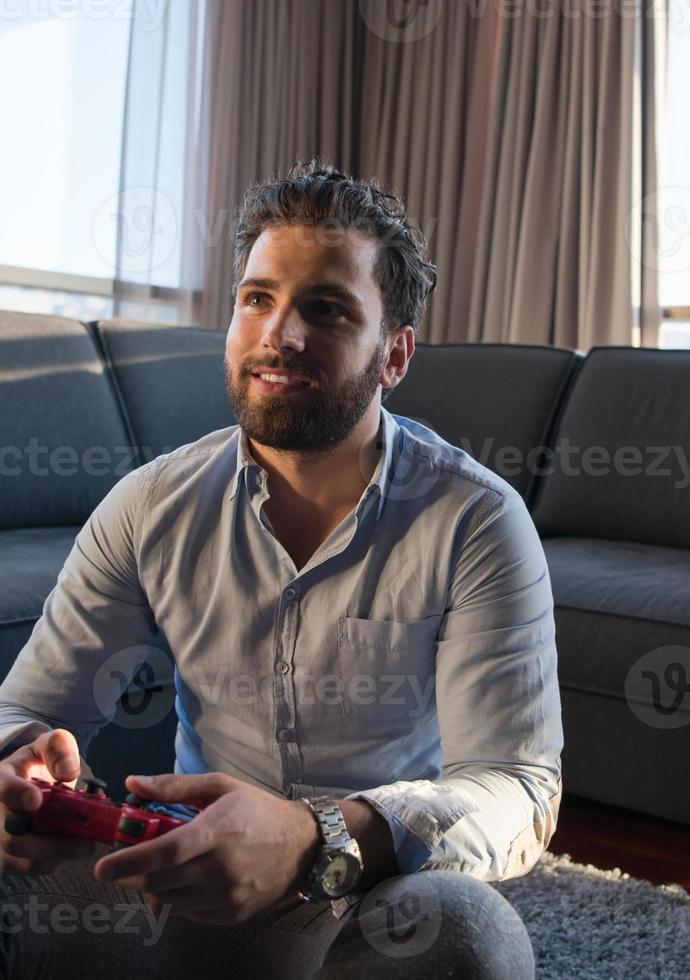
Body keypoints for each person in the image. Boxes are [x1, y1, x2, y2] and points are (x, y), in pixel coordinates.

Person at [0, 161, 561, 977]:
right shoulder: (149, 504)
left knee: (469, 937)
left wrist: (313, 835)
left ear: (394, 355)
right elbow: (29, 708)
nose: (279, 335)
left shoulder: (475, 519)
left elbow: (517, 792)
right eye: (257, 299)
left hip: (363, 901)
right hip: (174, 883)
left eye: (325, 310)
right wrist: (18, 765)